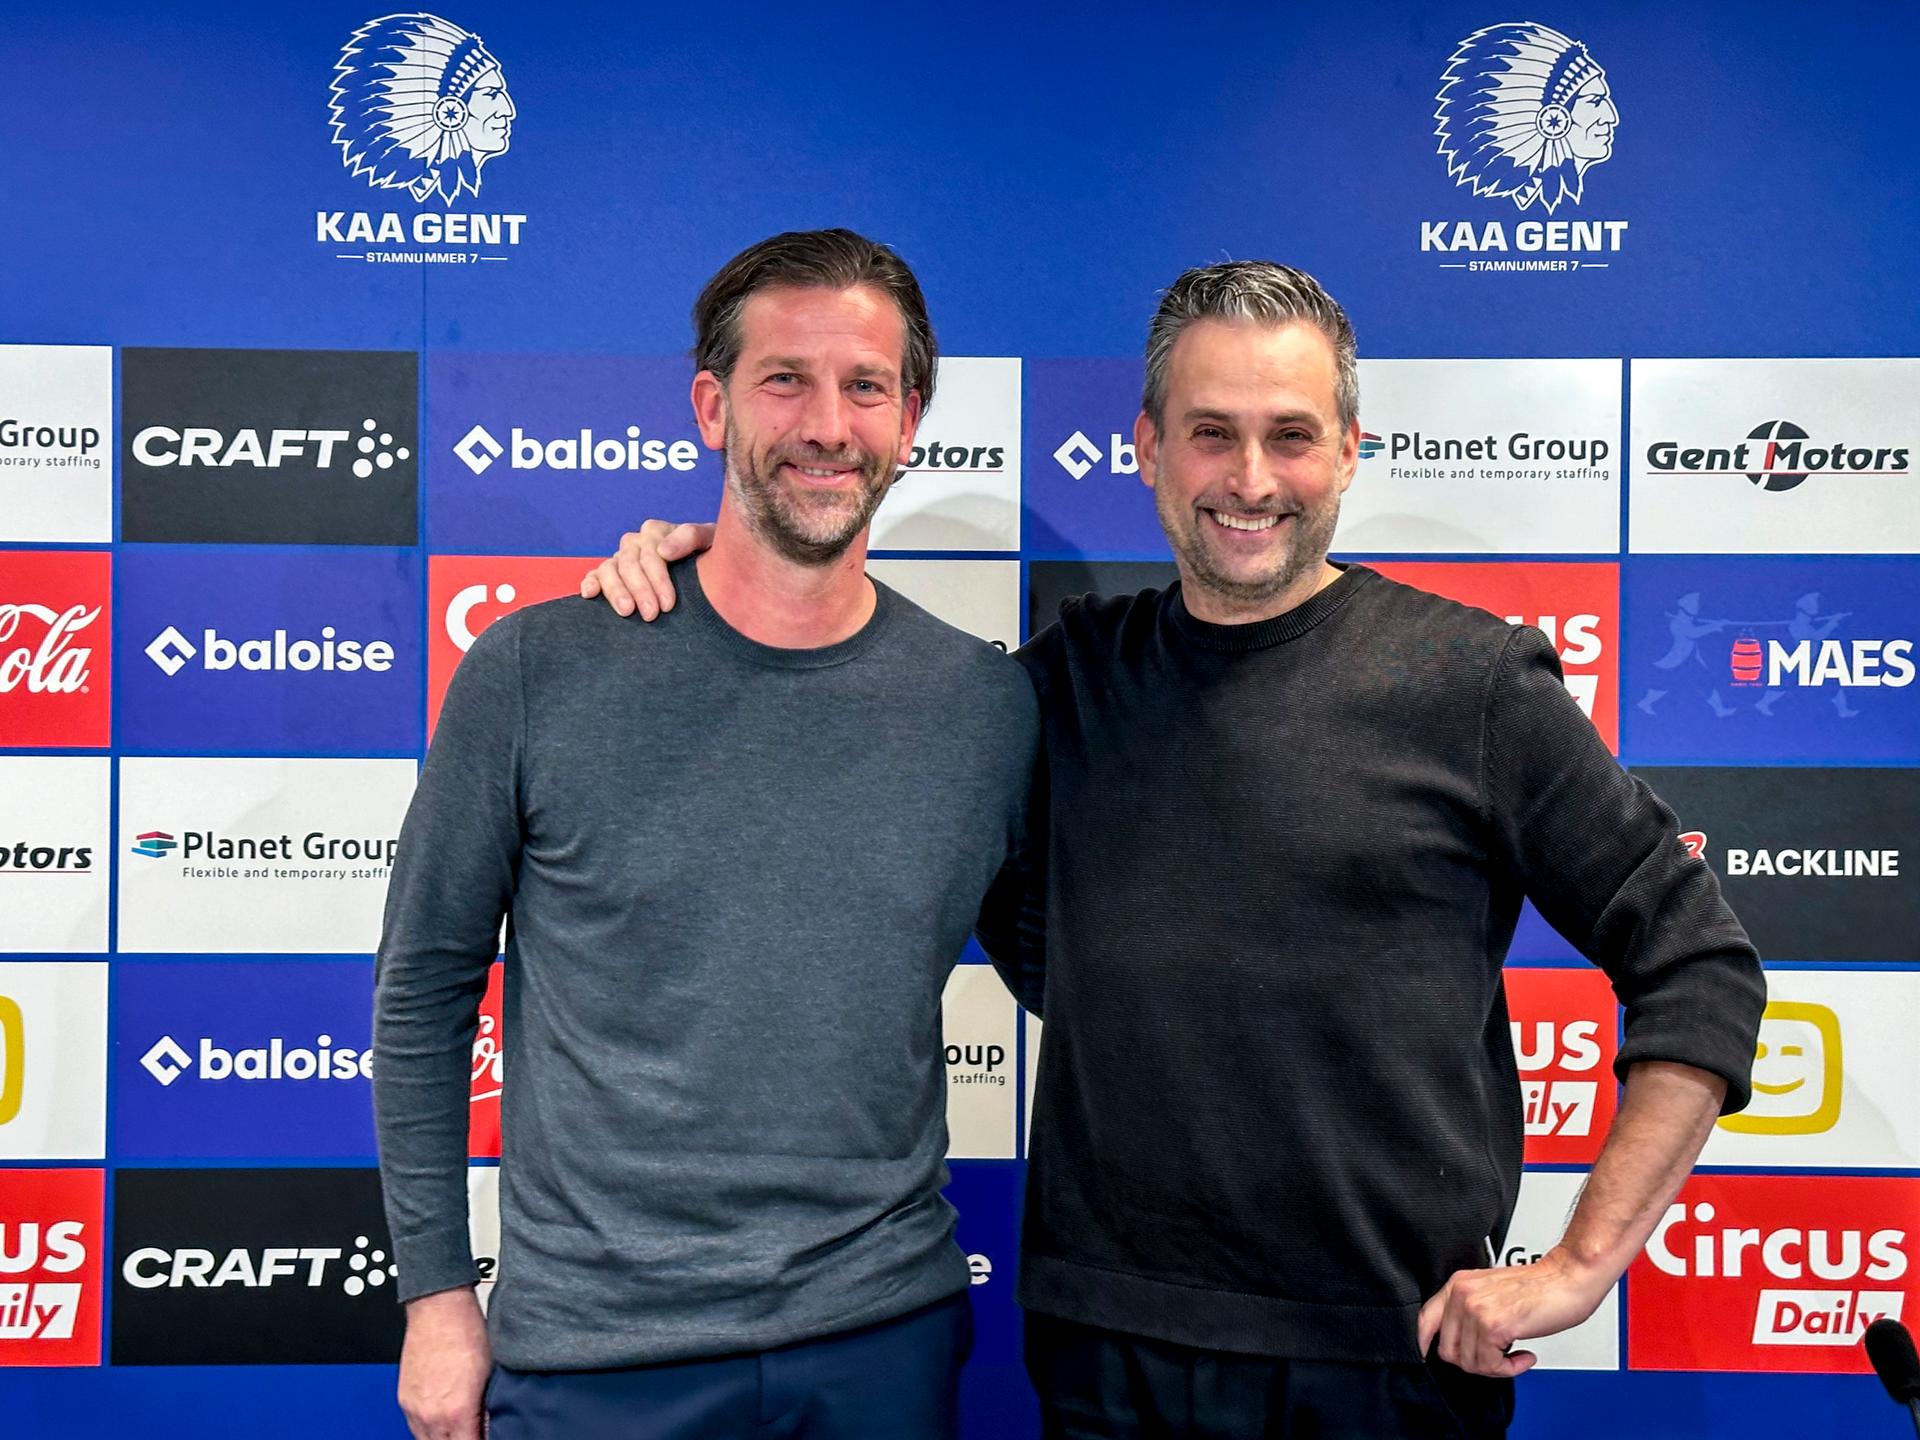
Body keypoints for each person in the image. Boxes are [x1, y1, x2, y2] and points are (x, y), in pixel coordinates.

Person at [583, 260, 1765, 1438]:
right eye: (1211, 433)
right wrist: (707, 571)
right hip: (1108, 1360)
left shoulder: (1472, 685)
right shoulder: (1062, 686)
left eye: (1290, 436)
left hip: (1385, 1364)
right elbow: (843, 708)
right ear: (1147, 447)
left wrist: (1580, 1266)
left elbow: (1697, 966)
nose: (1251, 480)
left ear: (1349, 450)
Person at [374, 228, 1038, 1440]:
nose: (826, 423)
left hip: (880, 1343)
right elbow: (423, 989)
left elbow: (1096, 977)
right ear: (710, 405)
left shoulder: (986, 708)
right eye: (785, 378)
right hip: (596, 1356)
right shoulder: (537, 668)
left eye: (865, 386)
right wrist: (433, 1298)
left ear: (911, 418)